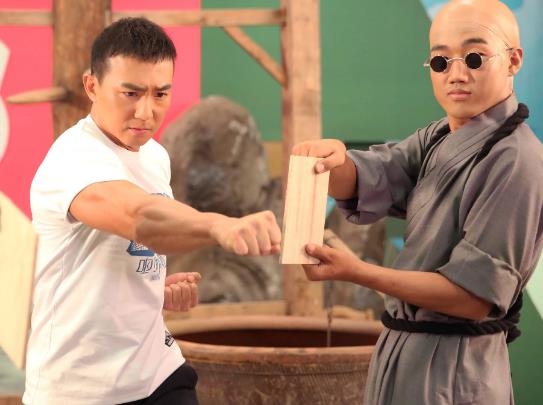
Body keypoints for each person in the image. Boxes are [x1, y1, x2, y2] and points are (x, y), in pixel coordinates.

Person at [292, 1, 543, 404]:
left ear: (513, 60)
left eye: (474, 58)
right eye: (441, 62)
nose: (456, 74)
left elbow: (473, 297)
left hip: (457, 370)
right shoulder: (439, 136)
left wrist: (359, 273)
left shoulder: (517, 159)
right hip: (402, 355)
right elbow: (375, 174)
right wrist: (332, 163)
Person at [24, 18, 281, 405]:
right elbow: (139, 218)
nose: (146, 111)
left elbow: (133, 244)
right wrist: (219, 226)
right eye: (130, 93)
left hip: (157, 372)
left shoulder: (154, 156)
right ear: (92, 86)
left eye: (160, 94)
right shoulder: (73, 157)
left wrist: (148, 288)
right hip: (79, 388)